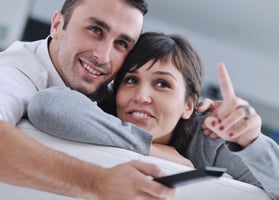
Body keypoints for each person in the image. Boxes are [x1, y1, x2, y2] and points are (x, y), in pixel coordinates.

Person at [28, 32, 279, 199]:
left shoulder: (209, 137)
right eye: (131, 80)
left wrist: (251, 141)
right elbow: (46, 106)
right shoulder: (100, 116)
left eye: (162, 84)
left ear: (188, 105)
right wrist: (150, 147)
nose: (141, 96)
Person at [0, 1, 176, 199]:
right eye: (95, 30)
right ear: (57, 25)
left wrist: (210, 122)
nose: (103, 57)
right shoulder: (14, 73)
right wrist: (97, 182)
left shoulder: (111, 83)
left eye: (121, 43)